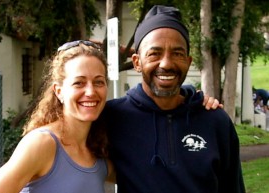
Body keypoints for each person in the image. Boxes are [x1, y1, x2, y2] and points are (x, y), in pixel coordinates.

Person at [103, 5, 245, 193]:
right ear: (137, 62)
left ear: (188, 61)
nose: (166, 63)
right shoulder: (112, 117)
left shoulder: (215, 121)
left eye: (177, 54)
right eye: (155, 53)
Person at [0, 40, 115, 193]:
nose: (90, 92)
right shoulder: (43, 144)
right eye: (79, 83)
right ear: (59, 91)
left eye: (98, 82)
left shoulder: (99, 152)